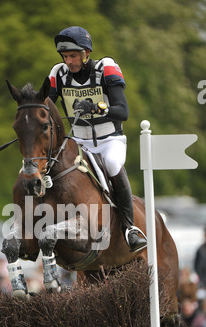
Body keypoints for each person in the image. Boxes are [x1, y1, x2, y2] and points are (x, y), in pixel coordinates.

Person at [48, 26, 147, 253]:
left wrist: (96, 108)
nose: (69, 61)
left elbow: (123, 111)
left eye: (73, 56)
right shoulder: (58, 74)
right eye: (65, 56)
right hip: (78, 143)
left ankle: (129, 228)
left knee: (112, 164)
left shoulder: (105, 68)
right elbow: (47, 108)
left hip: (109, 140)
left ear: (86, 54)